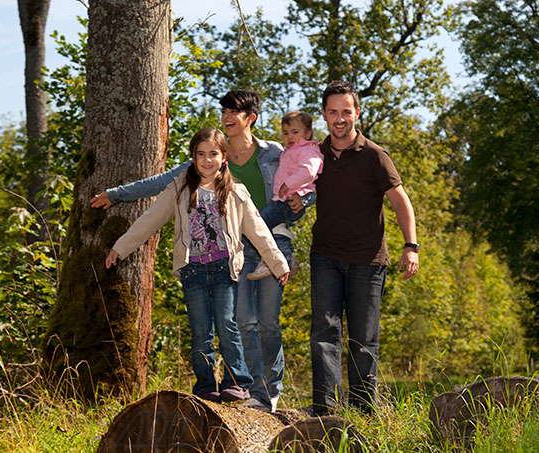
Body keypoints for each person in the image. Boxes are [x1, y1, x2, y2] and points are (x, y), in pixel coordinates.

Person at [91, 90, 306, 412]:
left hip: (234, 259)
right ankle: (208, 386)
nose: (227, 116)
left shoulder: (268, 160)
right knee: (214, 329)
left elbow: (272, 215)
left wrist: (279, 259)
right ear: (195, 158)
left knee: (248, 325)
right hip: (195, 268)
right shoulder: (182, 184)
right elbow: (151, 216)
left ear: (250, 119)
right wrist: (120, 240)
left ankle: (254, 388)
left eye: (235, 111)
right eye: (200, 154)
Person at [310, 80, 419, 415]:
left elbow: (401, 201)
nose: (340, 118)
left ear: (357, 112)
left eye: (346, 111)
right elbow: (292, 184)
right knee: (324, 332)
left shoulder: (374, 155)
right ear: (325, 115)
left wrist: (411, 245)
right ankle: (325, 411)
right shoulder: (315, 154)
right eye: (333, 112)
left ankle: (361, 412)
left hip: (368, 260)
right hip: (325, 255)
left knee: (362, 339)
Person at [247, 111, 323, 280]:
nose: (289, 137)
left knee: (258, 225)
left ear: (307, 133)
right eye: (285, 133)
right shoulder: (291, 151)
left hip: (289, 201)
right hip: (281, 200)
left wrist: (288, 184)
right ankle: (286, 258)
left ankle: (271, 260)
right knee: (277, 230)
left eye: (295, 132)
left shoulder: (307, 151)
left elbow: (308, 173)